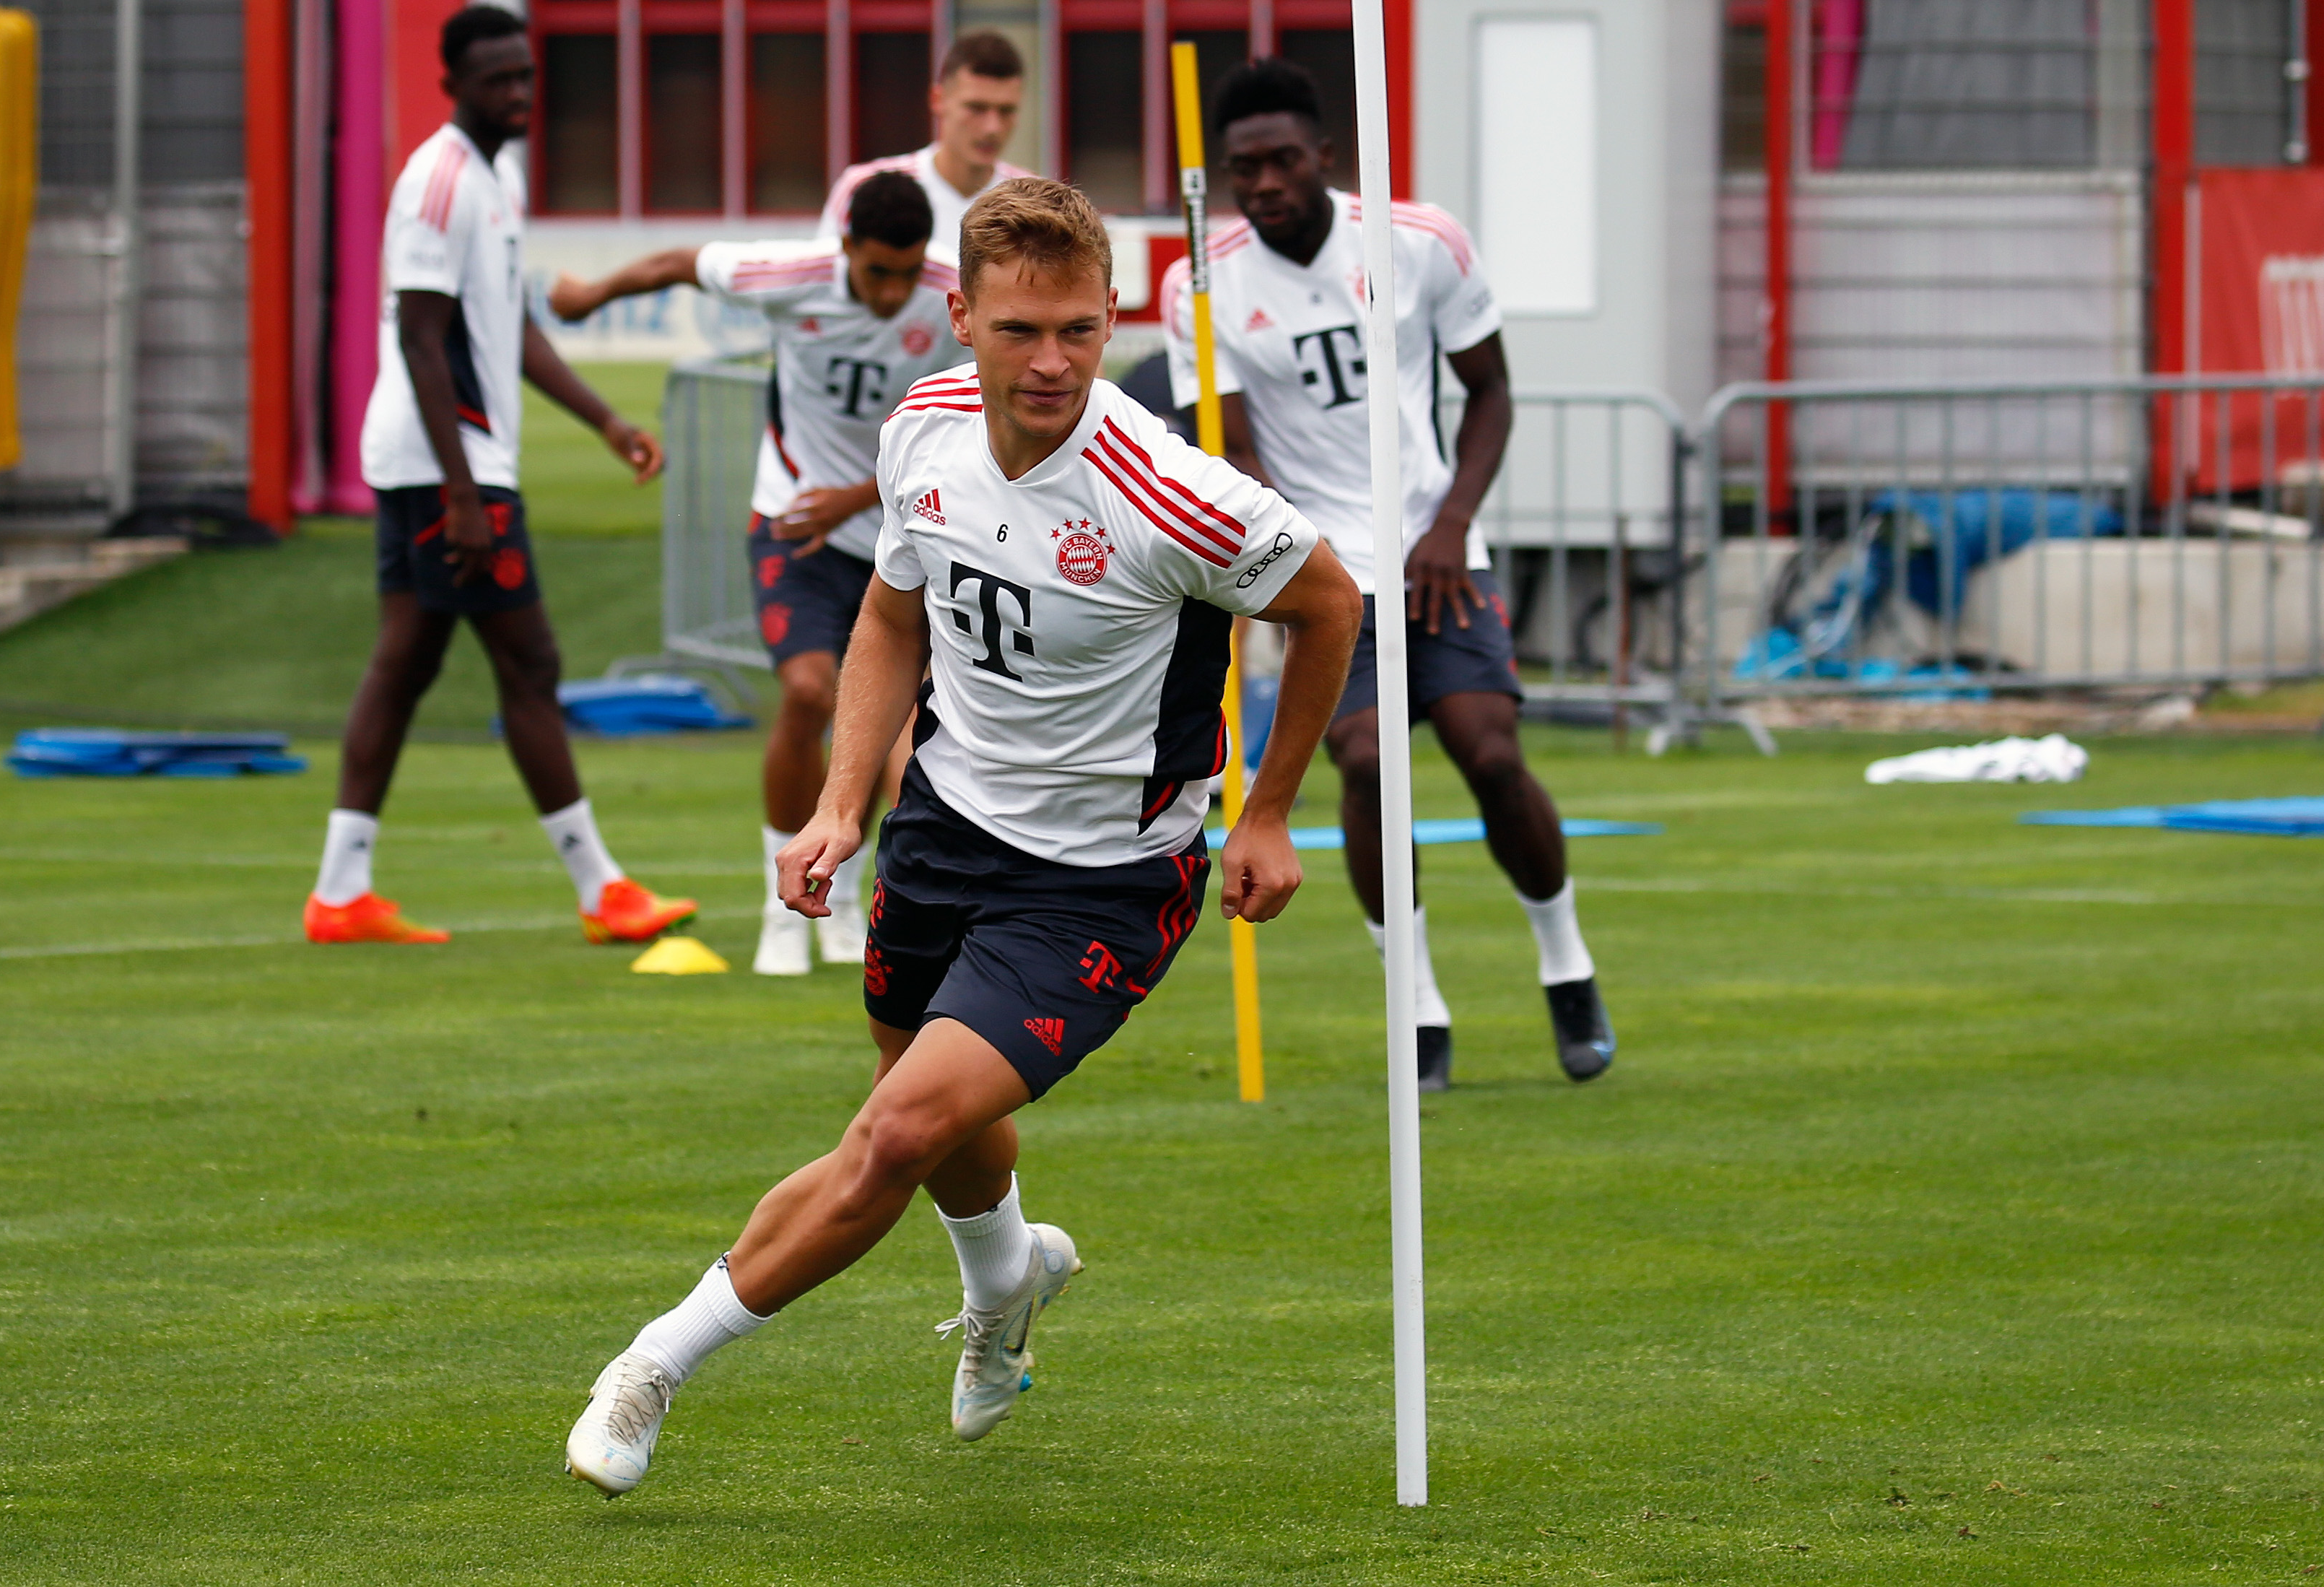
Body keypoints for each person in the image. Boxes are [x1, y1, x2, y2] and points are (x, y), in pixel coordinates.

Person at [563, 178, 1362, 1495]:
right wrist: (841, 802)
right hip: (938, 831)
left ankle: (649, 1365)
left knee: (889, 1131)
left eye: (1079, 330)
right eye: (1017, 331)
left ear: (1107, 323)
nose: (1050, 362)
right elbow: (889, 618)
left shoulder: (1171, 491)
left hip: (1101, 883)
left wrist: (1268, 812)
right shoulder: (922, 428)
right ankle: (1008, 1285)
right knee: (934, 1122)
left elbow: (1329, 607)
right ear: (961, 318)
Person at [1165, 57, 1615, 1088]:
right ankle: (1414, 1008)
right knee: (1366, 759)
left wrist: (1452, 520)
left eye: (1282, 161)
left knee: (1486, 751)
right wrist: (1291, 556)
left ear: (1323, 156)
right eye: (1244, 169)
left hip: (1433, 551)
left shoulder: (1419, 241)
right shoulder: (1202, 276)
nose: (1265, 183)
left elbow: (1490, 390)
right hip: (1322, 571)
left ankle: (1565, 964)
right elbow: (1228, 446)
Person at [306, 5, 692, 947]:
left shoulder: (496, 175)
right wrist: (464, 492)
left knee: (405, 664)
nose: (518, 93)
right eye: (498, 80)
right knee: (531, 663)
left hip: (436, 462)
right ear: (455, 86)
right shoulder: (438, 180)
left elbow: (506, 327)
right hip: (451, 464)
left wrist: (604, 420)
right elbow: (420, 336)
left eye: (525, 75)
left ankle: (339, 892)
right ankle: (601, 888)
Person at [547, 172, 964, 976]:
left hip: (903, 536)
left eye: (907, 273)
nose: (893, 292)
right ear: (844, 248)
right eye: (878, 272)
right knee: (810, 691)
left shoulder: (952, 291)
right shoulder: (792, 275)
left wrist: (854, 495)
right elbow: (674, 261)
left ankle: (840, 901)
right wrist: (589, 294)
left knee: (893, 738)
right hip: (793, 524)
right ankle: (782, 905)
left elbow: (968, 425)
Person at [814, 30, 1029, 247]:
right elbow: (827, 277)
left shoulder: (1033, 202)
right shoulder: (864, 189)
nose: (992, 128)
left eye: (1006, 111)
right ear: (938, 100)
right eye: (976, 108)